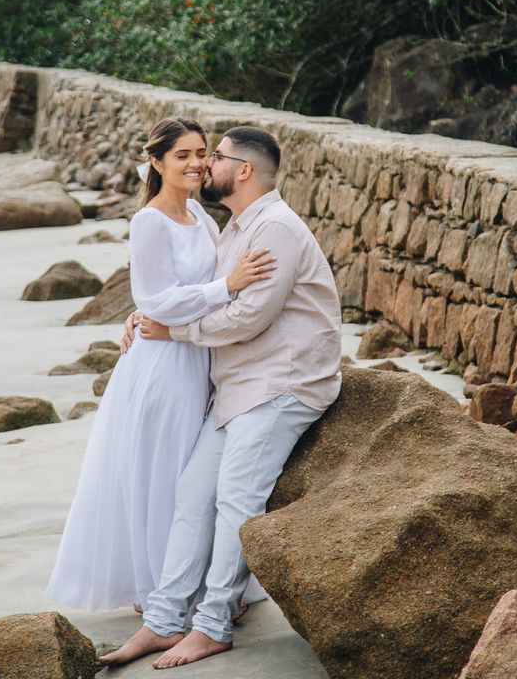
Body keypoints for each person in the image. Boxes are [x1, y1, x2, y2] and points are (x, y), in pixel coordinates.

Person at [101, 126, 342, 669]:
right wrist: (146, 313)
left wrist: (173, 332)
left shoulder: (275, 228)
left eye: (216, 157)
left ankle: (212, 625)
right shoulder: (233, 226)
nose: (206, 166)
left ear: (245, 170)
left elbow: (250, 315)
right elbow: (184, 289)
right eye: (195, 156)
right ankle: (165, 620)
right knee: (192, 497)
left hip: (282, 384)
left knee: (236, 499)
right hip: (236, 388)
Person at [47, 117, 275, 612]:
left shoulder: (202, 216)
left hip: (196, 358)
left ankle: (201, 582)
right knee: (166, 472)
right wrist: (227, 285)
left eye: (202, 154)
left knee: (194, 478)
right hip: (164, 364)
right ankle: (162, 589)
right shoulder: (149, 220)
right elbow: (156, 296)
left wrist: (161, 307)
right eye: (183, 156)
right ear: (156, 162)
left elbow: (166, 299)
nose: (196, 164)